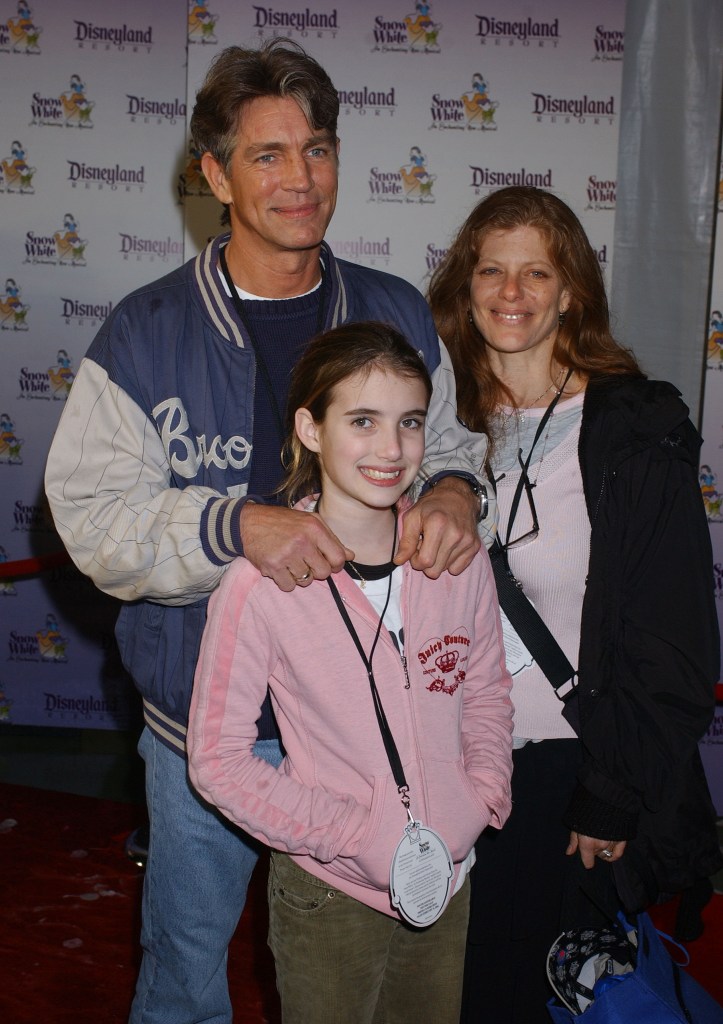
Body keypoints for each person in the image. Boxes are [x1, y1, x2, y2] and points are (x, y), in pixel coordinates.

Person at [44, 39, 494, 1024]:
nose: (301, 178)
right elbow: (86, 513)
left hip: (374, 743)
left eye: (318, 148)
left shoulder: (392, 308)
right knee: (185, 983)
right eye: (267, 154)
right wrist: (226, 524)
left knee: (361, 994)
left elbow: (457, 441)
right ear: (213, 173)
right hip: (209, 737)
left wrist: (458, 488)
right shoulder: (144, 328)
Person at [426, 185, 721, 1023]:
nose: (511, 293)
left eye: (536, 272)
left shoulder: (635, 428)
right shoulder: (429, 421)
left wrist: (611, 791)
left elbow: (671, 642)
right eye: (491, 270)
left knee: (513, 998)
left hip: (561, 779)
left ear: (571, 291)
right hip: (439, 766)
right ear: (463, 283)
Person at [187, 321, 513, 1024]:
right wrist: (353, 834)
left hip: (449, 878)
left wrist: (479, 795)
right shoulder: (258, 583)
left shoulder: (455, 557)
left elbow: (486, 688)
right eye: (361, 421)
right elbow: (216, 761)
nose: (390, 449)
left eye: (410, 422)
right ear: (310, 427)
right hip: (329, 891)